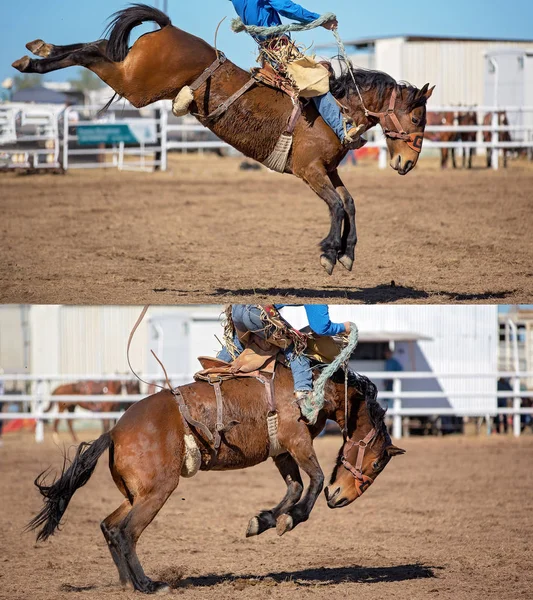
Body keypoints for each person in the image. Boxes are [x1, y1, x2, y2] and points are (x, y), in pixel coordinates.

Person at [229, 0, 362, 146]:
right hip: (280, 51)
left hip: (268, 52)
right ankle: (343, 131)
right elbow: (287, 8)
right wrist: (320, 20)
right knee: (314, 81)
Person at [217, 304, 350, 413]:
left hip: (237, 309)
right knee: (296, 345)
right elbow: (321, 328)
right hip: (257, 313)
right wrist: (344, 327)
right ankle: (303, 392)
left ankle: (214, 368)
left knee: (238, 344)